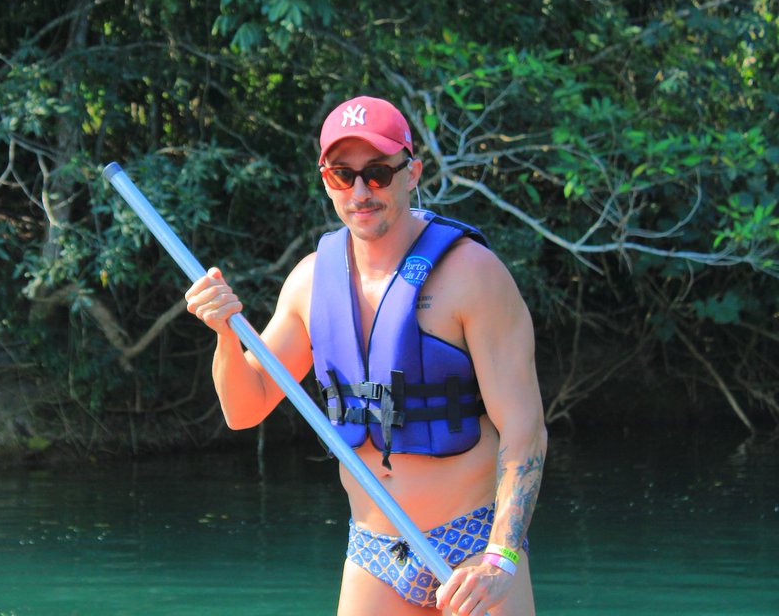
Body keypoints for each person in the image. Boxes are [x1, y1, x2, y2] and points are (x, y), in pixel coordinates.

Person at [184, 96, 547, 616]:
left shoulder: (473, 275)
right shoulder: (311, 281)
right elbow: (245, 410)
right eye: (342, 174)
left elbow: (525, 429)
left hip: (473, 548)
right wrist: (223, 333)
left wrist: (501, 557)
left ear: (411, 171)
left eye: (377, 173)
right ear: (325, 178)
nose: (360, 191)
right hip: (374, 552)